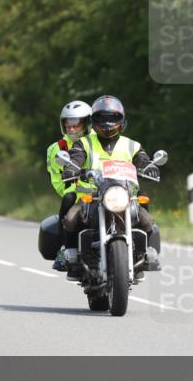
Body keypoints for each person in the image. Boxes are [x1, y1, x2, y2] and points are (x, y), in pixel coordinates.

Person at [62, 95, 160, 279]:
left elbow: (143, 160)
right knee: (70, 218)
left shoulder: (132, 145)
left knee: (147, 221)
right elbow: (76, 158)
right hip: (92, 196)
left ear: (121, 120)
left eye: (112, 118)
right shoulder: (83, 143)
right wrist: (71, 168)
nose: (107, 123)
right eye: (101, 118)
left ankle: (146, 255)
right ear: (93, 121)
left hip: (123, 196)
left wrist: (150, 167)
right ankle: (70, 257)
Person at [47, 100, 91, 271]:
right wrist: (78, 187)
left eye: (76, 125)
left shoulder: (97, 141)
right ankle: (63, 248)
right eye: (68, 125)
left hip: (104, 189)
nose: (71, 129)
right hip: (76, 191)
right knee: (68, 198)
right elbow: (58, 181)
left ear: (86, 124)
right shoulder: (56, 149)